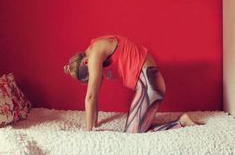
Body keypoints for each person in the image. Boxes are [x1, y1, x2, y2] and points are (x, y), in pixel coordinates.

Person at [63, 35, 199, 133]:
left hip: (148, 83)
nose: (95, 76)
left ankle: (181, 123)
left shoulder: (94, 54)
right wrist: (94, 124)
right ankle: (181, 122)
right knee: (137, 130)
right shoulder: (97, 46)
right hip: (149, 81)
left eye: (91, 75)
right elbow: (95, 95)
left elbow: (90, 96)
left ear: (85, 62)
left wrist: (88, 132)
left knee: (132, 136)